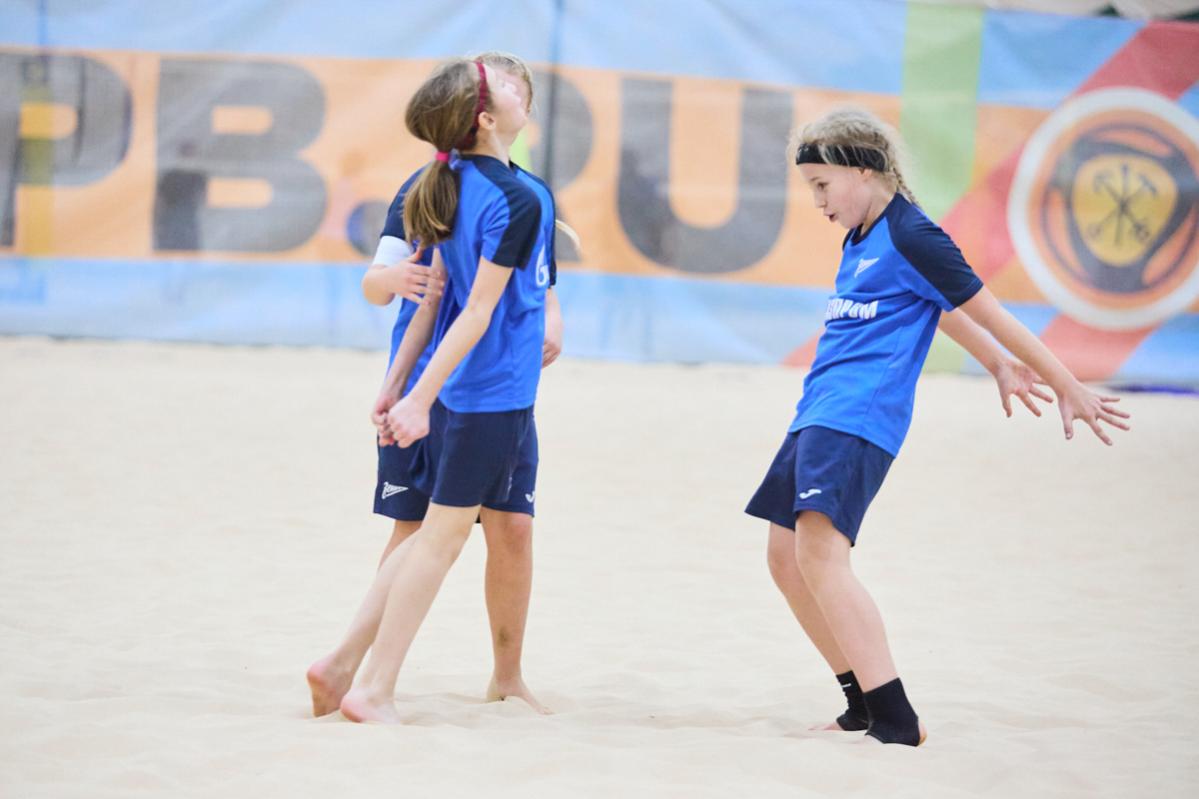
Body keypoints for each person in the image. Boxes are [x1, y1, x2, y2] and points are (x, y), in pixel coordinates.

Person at [746, 107, 1130, 746]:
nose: (816, 201)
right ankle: (861, 704)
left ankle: (896, 718)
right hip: (818, 409)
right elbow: (939, 308)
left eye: (821, 185)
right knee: (784, 557)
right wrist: (996, 364)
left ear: (863, 170)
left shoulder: (913, 234)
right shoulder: (862, 234)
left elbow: (991, 311)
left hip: (857, 416)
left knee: (820, 554)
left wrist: (1065, 382)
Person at [312, 52, 561, 718]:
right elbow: (462, 309)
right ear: (483, 117)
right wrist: (413, 394)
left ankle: (346, 667)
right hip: (478, 392)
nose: (517, 88)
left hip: (458, 388)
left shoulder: (494, 188)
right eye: (501, 84)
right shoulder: (470, 191)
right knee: (430, 536)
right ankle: (369, 684)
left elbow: (457, 297)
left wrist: (403, 385)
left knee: (472, 532)